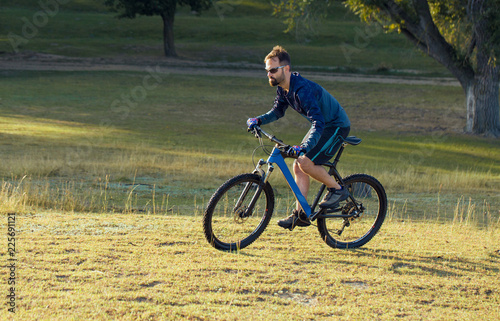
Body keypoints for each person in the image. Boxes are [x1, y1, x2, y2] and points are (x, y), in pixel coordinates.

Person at [247, 45, 351, 231]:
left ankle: (338, 189)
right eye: (267, 71)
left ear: (285, 69)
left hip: (335, 125)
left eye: (273, 70)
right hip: (322, 126)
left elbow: (318, 122)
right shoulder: (283, 89)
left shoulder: (302, 89)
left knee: (304, 161)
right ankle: (301, 215)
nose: (269, 74)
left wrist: (304, 146)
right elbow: (277, 112)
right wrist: (258, 120)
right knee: (298, 166)